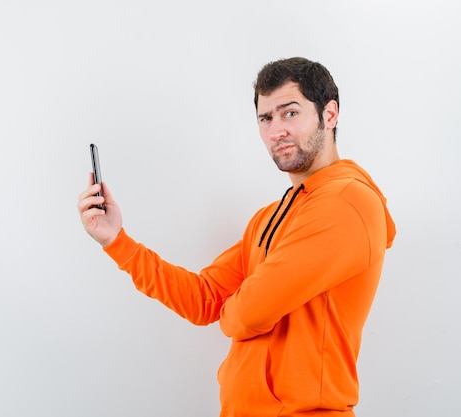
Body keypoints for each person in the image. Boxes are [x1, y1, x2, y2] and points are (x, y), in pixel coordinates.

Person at [77, 57, 396, 417]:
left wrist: (236, 312)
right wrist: (116, 240)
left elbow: (249, 312)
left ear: (330, 114)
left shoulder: (347, 201)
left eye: (290, 113)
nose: (277, 131)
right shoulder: (269, 218)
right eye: (266, 118)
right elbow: (204, 299)